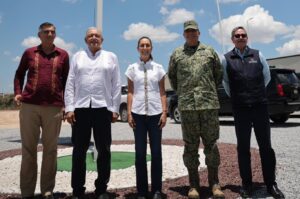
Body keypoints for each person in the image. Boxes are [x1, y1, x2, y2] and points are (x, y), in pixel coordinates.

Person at [222, 26, 285, 199]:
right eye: (237, 35)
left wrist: (255, 94)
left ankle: (271, 184)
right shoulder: (226, 59)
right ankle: (247, 185)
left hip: (259, 107)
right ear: (232, 39)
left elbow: (266, 77)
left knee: (266, 147)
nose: (240, 37)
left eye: (243, 35)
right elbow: (226, 83)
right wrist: (239, 97)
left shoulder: (258, 55)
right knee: (243, 148)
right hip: (240, 109)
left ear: (247, 38)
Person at [168, 20, 224, 199]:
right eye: (188, 32)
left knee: (211, 145)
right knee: (190, 146)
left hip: (208, 105)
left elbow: (218, 74)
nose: (191, 34)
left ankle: (214, 183)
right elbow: (173, 78)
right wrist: (185, 93)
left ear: (199, 33)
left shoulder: (209, 52)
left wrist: (206, 90)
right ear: (184, 34)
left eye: (194, 31)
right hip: (188, 107)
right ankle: (193, 185)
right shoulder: (177, 54)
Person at [14, 22, 70, 199]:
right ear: (39, 35)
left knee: (51, 150)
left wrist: (67, 105)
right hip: (29, 106)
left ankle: (47, 191)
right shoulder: (29, 53)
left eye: (53, 32)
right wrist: (17, 93)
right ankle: (27, 192)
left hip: (53, 108)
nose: (50, 34)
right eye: (46, 32)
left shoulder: (63, 55)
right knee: (28, 149)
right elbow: (19, 74)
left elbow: (68, 81)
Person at [64, 27, 121, 199]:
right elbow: (70, 83)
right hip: (80, 109)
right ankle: (77, 189)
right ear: (85, 39)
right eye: (90, 36)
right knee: (79, 150)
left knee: (103, 149)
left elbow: (116, 84)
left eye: (97, 35)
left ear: (102, 39)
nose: (94, 38)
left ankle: (102, 188)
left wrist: (115, 109)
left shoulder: (111, 57)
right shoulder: (77, 57)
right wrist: (69, 108)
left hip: (103, 108)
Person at [126, 36, 167, 199]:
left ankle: (156, 190)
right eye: (142, 45)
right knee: (140, 153)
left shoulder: (158, 68)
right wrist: (129, 113)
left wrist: (164, 112)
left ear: (151, 48)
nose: (144, 48)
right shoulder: (131, 69)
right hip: (138, 114)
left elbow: (162, 92)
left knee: (156, 152)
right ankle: (141, 191)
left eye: (147, 45)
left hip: (155, 114)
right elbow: (130, 92)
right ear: (138, 48)